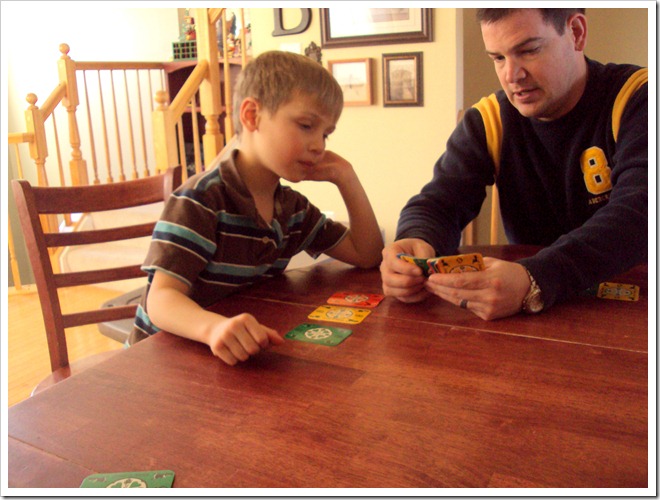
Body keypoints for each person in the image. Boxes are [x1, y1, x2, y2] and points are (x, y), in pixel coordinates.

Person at [380, 8, 647, 320]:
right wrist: (416, 239)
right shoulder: (488, 119)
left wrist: (535, 279)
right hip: (538, 315)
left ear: (576, 33)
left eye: (529, 50)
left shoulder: (640, 98)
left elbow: (640, 213)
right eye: (498, 58)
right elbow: (440, 202)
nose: (511, 75)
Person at [129, 50, 383, 365]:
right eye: (306, 126)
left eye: (326, 135)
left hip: (227, 358)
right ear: (252, 116)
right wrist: (213, 328)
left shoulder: (293, 209)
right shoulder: (201, 200)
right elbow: (161, 300)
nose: (319, 145)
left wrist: (347, 178)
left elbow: (367, 254)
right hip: (160, 360)